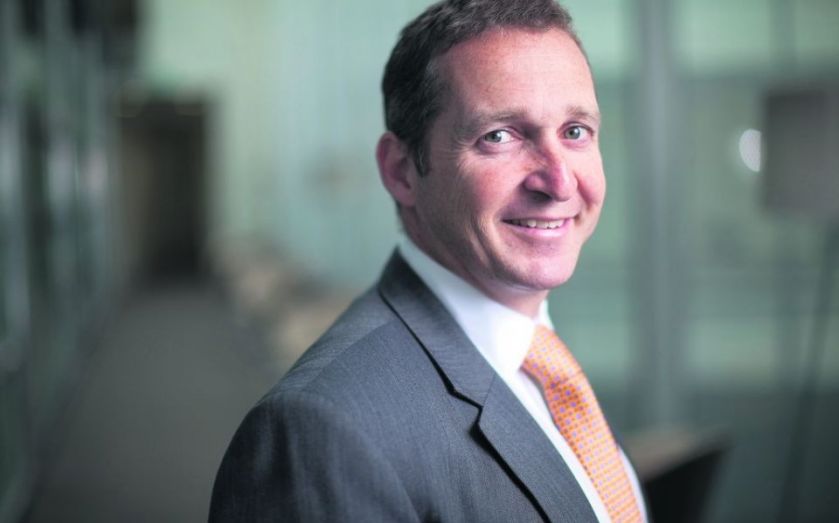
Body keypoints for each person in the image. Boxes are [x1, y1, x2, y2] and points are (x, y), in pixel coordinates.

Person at [210, 0, 649, 521]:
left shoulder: (547, 365)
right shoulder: (320, 432)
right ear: (401, 171)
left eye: (575, 131)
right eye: (499, 136)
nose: (558, 182)